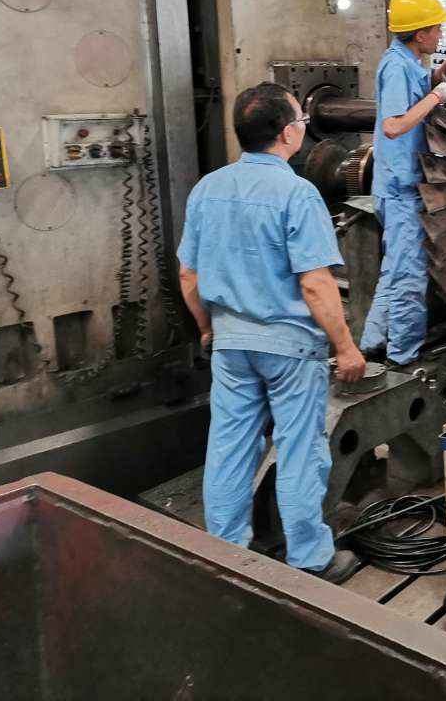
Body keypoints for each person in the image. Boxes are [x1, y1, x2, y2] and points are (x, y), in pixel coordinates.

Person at [177, 82, 368, 583]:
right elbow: (315, 284)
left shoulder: (207, 189)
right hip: (290, 349)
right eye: (301, 120)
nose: (303, 127)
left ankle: (225, 553)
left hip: (230, 344)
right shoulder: (298, 194)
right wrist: (346, 347)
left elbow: (189, 276)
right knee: (300, 449)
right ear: (287, 133)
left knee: (230, 447)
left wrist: (207, 329)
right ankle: (310, 557)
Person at [358, 0, 446, 368]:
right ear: (420, 33)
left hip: (403, 184)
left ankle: (372, 343)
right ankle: (402, 358)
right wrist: (437, 98)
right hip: (400, 191)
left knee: (394, 271)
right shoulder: (397, 66)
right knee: (409, 278)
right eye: (436, 28)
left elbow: (425, 90)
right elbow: (394, 126)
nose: (439, 33)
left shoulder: (409, 60)